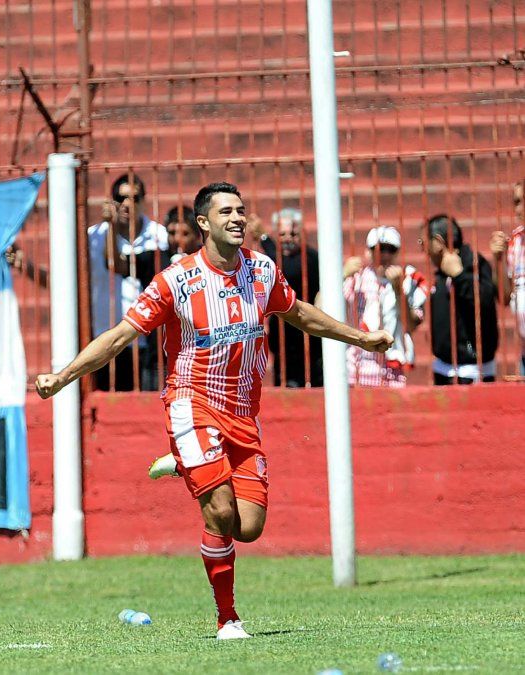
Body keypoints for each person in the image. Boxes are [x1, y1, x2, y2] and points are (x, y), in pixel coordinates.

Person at [36, 182, 392, 640]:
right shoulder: (176, 281)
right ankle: (228, 618)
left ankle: (185, 463)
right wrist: (63, 376)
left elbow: (300, 313)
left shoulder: (262, 270)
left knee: (249, 527)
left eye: (241, 210)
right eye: (226, 212)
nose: (238, 218)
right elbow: (121, 335)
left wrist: (361, 338)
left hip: (243, 413)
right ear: (203, 222)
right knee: (220, 513)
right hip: (192, 405)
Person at [88, 174, 168, 391]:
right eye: (120, 198)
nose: (126, 204)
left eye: (134, 198)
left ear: (143, 201)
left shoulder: (159, 236)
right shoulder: (94, 236)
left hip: (147, 341)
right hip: (106, 339)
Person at [342, 226, 429, 387]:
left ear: (398, 252)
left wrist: (398, 291)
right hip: (357, 368)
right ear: (368, 252)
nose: (385, 255)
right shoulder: (356, 278)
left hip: (391, 370)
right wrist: (341, 276)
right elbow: (322, 307)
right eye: (380, 249)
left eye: (391, 249)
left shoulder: (408, 279)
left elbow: (411, 325)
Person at [250, 208, 323, 387]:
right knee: (284, 384)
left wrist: (265, 239)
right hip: (282, 339)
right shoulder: (276, 257)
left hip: (307, 337)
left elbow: (286, 271)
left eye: (293, 234)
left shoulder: (310, 257)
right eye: (282, 234)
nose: (288, 239)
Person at [423, 214, 499, 384]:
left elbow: (485, 302)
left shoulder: (474, 263)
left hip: (473, 373)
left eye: (424, 243)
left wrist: (459, 275)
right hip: (443, 369)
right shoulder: (441, 271)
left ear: (438, 242)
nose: (424, 250)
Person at [489, 179, 525, 376]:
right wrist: (499, 260)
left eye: (522, 200)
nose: (518, 208)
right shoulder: (515, 242)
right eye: (516, 202)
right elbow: (504, 297)